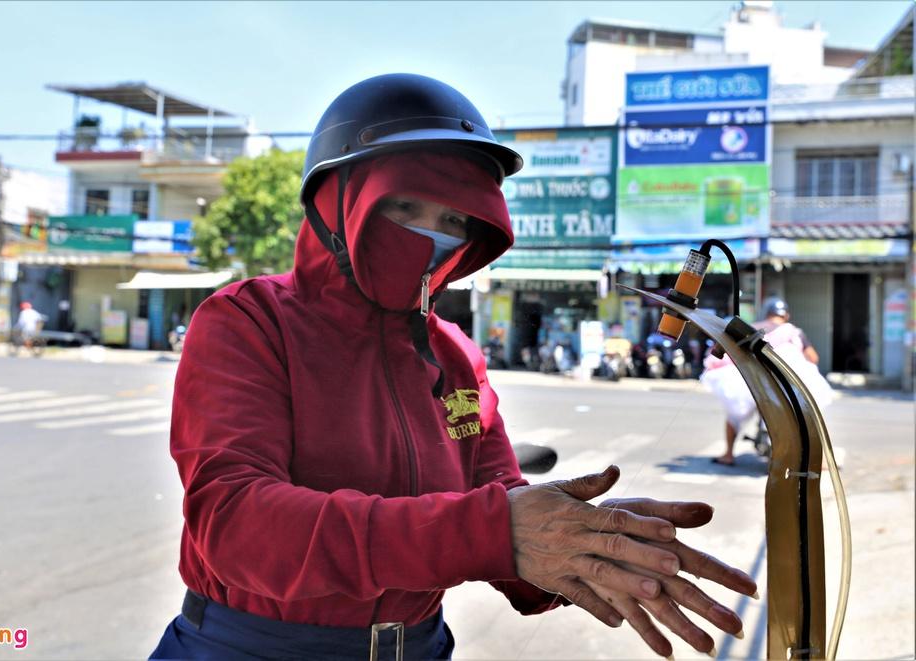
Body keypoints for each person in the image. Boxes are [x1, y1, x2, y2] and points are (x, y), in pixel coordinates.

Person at [150, 74, 756, 660]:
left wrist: (583, 544)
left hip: (420, 647)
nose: (430, 238)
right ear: (337, 204)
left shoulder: (455, 355)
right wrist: (495, 532)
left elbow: (500, 508)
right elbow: (236, 526)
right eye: (406, 206)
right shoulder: (248, 322)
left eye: (454, 221)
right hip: (249, 647)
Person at [704, 297, 833, 466]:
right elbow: (813, 358)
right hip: (789, 385)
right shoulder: (794, 331)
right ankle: (820, 461)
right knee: (811, 417)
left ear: (766, 313)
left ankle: (728, 454)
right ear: (786, 315)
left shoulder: (755, 329)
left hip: (753, 384)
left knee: (733, 415)